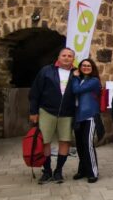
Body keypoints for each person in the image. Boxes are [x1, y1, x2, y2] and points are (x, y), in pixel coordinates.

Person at [28, 47, 77, 184]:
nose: (66, 58)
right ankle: (47, 170)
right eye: (64, 55)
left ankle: (58, 171)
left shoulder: (76, 73)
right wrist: (33, 111)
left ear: (73, 59)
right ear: (58, 57)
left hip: (67, 113)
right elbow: (35, 92)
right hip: (47, 111)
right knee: (45, 142)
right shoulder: (46, 71)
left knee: (65, 141)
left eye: (69, 56)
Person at [70, 58, 102, 183]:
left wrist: (75, 77)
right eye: (83, 65)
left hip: (90, 116)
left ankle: (93, 172)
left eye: (88, 65)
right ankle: (82, 169)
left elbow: (76, 90)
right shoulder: (80, 80)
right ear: (80, 67)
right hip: (78, 117)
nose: (86, 67)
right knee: (80, 145)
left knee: (88, 145)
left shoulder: (94, 81)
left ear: (92, 68)